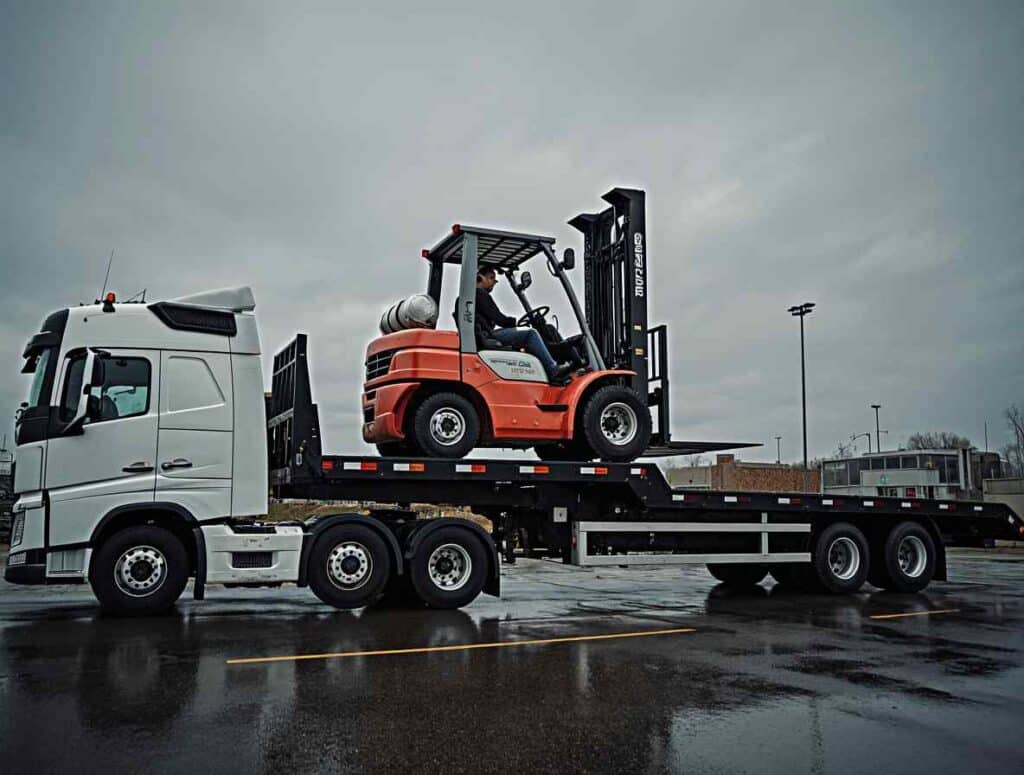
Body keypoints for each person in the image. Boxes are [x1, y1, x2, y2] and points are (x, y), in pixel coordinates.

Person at [474, 266, 573, 382]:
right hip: (488, 336)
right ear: (480, 277)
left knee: (528, 332)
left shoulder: (473, 295)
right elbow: (499, 319)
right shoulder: (480, 295)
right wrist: (513, 322)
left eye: (495, 280)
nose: (493, 283)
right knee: (531, 333)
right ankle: (552, 369)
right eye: (491, 278)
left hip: (484, 335)